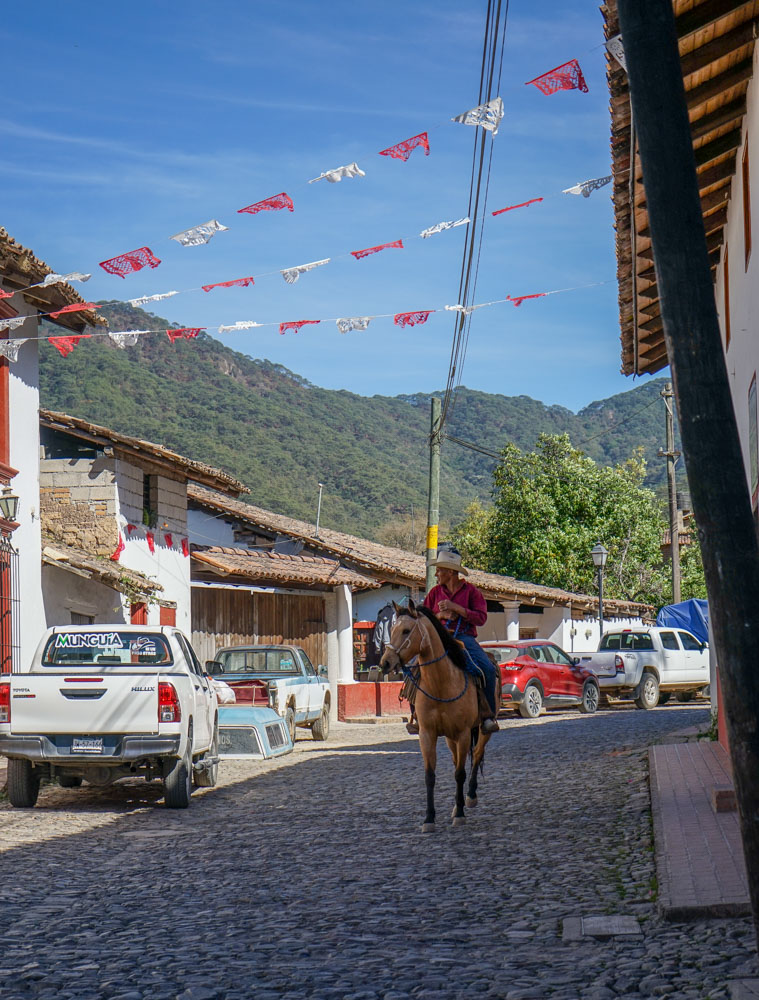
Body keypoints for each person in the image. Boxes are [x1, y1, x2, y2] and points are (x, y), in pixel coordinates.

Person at [406, 546, 500, 736]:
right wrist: (441, 614)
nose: (437, 574)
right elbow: (423, 618)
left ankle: (487, 715)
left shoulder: (472, 592)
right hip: (439, 639)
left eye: (439, 570)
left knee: (487, 669)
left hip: (464, 638)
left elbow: (481, 618)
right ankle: (416, 715)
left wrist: (457, 609)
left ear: (450, 572)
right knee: (414, 670)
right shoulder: (434, 593)